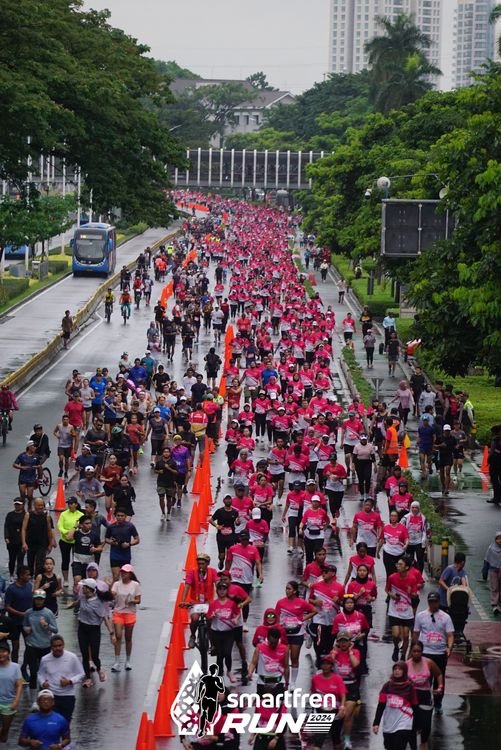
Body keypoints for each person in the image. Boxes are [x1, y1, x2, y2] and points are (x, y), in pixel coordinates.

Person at [68, 578, 114, 687]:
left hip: (94, 630)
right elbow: (77, 602)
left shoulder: (98, 603)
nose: (82, 588)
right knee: (84, 655)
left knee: (94, 655)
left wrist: (111, 633)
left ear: (89, 589)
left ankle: (99, 669)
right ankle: (88, 678)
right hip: (82, 628)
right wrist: (71, 605)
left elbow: (105, 618)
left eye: (84, 587)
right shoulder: (82, 597)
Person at [412, 592, 454, 713]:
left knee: (439, 677)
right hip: (425, 652)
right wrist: (414, 649)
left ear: (439, 602)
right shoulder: (421, 616)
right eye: (431, 602)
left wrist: (449, 647)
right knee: (425, 678)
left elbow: (450, 635)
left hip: (440, 653)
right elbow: (416, 633)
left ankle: (438, 701)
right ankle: (424, 700)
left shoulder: (446, 617)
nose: (433, 604)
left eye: (435, 602)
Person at [274, 580, 316, 690]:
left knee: (294, 658)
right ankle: (284, 680)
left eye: (289, 589)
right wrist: (278, 628)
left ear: (295, 591)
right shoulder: (280, 602)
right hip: (284, 634)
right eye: (286, 588)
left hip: (297, 633)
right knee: (283, 658)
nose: (287, 591)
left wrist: (303, 619)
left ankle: (293, 682)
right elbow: (277, 617)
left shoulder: (301, 602)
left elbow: (314, 611)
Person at [38, 635, 85, 724]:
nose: (57, 648)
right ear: (51, 647)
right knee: (52, 723)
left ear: (63, 645)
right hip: (52, 696)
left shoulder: (72, 657)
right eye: (55, 646)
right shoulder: (45, 659)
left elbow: (81, 674)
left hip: (68, 695)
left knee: (65, 722)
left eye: (60, 646)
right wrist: (43, 683)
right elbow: (40, 674)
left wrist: (70, 681)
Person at [406, 640, 443, 750]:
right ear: (411, 652)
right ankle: (413, 745)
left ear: (422, 651)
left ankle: (423, 742)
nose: (416, 653)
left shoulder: (429, 662)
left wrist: (440, 687)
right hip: (411, 695)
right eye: (414, 651)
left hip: (425, 694)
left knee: (426, 724)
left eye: (419, 651)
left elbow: (439, 674)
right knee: (412, 723)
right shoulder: (406, 664)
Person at [372, 662, 418, 750]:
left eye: (400, 669)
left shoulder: (410, 687)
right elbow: (381, 706)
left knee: (399, 746)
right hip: (389, 723)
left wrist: (417, 725)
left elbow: (415, 706)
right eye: (395, 669)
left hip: (404, 722)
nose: (397, 671)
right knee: (389, 746)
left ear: (404, 671)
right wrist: (376, 723)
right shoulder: (387, 686)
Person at [22, 589, 58, 698]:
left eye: (41, 599)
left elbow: (55, 629)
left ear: (44, 600)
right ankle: (33, 699)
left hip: (45, 645)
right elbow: (25, 625)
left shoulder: (48, 613)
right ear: (33, 599)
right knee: (33, 673)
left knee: (45, 673)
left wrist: (46, 625)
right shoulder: (29, 612)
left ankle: (43, 697)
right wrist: (26, 629)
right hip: (32, 645)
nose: (39, 601)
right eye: (37, 599)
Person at [309, 655, 346, 750]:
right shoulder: (315, 679)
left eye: (327, 664)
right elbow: (313, 693)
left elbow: (343, 694)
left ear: (331, 666)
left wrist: (342, 707)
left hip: (335, 711)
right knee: (318, 741)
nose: (325, 666)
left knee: (336, 740)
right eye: (323, 664)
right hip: (322, 712)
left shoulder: (337, 679)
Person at [180, 553, 218, 648]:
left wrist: (220, 600)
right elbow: (187, 587)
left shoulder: (213, 572)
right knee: (195, 619)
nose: (200, 566)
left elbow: (218, 584)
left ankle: (212, 641)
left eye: (202, 564)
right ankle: (192, 636)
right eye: (199, 564)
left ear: (207, 564)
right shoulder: (192, 572)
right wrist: (183, 601)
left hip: (209, 602)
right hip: (195, 602)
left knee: (210, 619)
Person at [206, 581, 240, 683]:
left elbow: (238, 613)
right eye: (220, 589)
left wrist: (236, 619)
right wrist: (212, 615)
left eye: (224, 589)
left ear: (226, 591)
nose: (222, 591)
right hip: (216, 633)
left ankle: (229, 671)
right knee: (220, 654)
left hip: (228, 632)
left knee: (227, 652)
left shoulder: (232, 603)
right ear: (217, 591)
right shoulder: (213, 604)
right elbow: (208, 617)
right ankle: (219, 675)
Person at [386, 557, 418, 662]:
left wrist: (410, 592)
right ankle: (396, 647)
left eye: (400, 565)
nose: (398, 566)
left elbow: (415, 595)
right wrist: (392, 595)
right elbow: (387, 590)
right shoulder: (392, 577)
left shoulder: (412, 579)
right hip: (394, 610)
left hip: (406, 611)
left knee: (406, 635)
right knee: (395, 635)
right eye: (397, 564)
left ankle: (403, 656)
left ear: (407, 567)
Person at [111, 564, 141, 672]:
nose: (123, 574)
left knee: (128, 637)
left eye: (126, 572)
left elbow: (139, 600)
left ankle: (127, 661)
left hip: (130, 613)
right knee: (118, 635)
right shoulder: (116, 584)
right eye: (122, 572)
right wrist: (110, 588)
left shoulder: (135, 585)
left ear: (130, 574)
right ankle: (117, 662)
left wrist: (132, 600)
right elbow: (112, 594)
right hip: (118, 613)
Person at [248, 627, 289, 697]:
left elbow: (286, 667)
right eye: (271, 643)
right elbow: (253, 663)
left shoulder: (284, 649)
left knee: (278, 703)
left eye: (275, 643)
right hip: (262, 682)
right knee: (262, 703)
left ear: (278, 640)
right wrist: (250, 672)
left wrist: (287, 683)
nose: (273, 645)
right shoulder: (259, 647)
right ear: (267, 639)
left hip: (278, 682)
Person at [4, 566, 32, 663]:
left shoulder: (30, 586)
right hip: (14, 623)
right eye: (27, 575)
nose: (29, 577)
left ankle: (24, 666)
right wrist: (20, 613)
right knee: (15, 647)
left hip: (27, 622)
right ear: (21, 575)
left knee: (29, 646)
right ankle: (15, 665)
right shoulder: (11, 589)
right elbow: (7, 606)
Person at [21, 498, 55, 577]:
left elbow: (49, 530)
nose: (40, 507)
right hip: (30, 543)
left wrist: (51, 543)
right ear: (34, 505)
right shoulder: (28, 515)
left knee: (40, 565)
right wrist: (24, 543)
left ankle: (38, 579)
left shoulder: (47, 516)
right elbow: (23, 529)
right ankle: (30, 579)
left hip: (42, 544)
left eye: (42, 505)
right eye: (38, 505)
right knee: (30, 563)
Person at [105, 509, 140, 581]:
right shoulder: (111, 527)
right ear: (115, 516)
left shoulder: (130, 526)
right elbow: (106, 539)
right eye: (118, 516)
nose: (120, 517)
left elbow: (137, 539)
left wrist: (129, 544)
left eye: (122, 516)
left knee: (126, 578)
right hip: (114, 555)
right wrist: (111, 542)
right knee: (116, 577)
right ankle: (113, 588)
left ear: (125, 516)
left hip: (126, 556)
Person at [56, 497, 83, 588]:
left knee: (76, 561)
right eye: (69, 504)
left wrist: (73, 534)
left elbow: (82, 527)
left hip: (76, 541)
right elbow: (60, 526)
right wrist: (67, 533)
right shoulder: (63, 514)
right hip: (65, 540)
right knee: (65, 560)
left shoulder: (80, 514)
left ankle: (77, 579)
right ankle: (66, 579)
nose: (70, 505)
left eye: (71, 503)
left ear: (76, 504)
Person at [0, 641, 23, 743]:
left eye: (3, 651)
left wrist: (16, 701)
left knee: (5, 730)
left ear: (8, 653)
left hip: (9, 703)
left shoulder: (15, 667)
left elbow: (19, 685)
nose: (1, 654)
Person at [13, 441, 42, 509]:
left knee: (30, 497)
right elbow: (14, 464)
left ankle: (29, 509)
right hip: (22, 478)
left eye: (36, 446)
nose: (35, 448)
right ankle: (22, 510)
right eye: (34, 446)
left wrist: (39, 477)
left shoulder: (36, 456)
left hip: (31, 479)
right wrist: (21, 467)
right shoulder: (22, 456)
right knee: (22, 496)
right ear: (29, 447)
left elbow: (39, 466)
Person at [4, 498, 26, 578]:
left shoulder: (26, 515)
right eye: (16, 504)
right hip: (12, 540)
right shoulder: (10, 515)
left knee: (20, 559)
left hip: (21, 541)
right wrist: (6, 537)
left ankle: (19, 575)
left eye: (19, 504)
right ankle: (11, 574)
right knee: (12, 559)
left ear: (23, 505)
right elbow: (6, 526)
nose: (17, 506)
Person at [155, 446, 178, 521]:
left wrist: (169, 468)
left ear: (170, 453)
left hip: (170, 483)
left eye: (167, 452)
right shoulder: (159, 462)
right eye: (165, 452)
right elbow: (155, 470)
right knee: (161, 498)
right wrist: (159, 471)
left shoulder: (173, 462)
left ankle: (168, 513)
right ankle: (163, 513)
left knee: (169, 499)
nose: (166, 453)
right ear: (163, 453)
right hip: (160, 482)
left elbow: (176, 472)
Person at [482, 531, 501, 615]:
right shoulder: (491, 548)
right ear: (495, 539)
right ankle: (494, 605)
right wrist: (484, 572)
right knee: (494, 587)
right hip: (493, 570)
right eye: (498, 539)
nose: (499, 540)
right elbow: (486, 560)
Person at [436, 424, 455, 495]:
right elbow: (434, 446)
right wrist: (440, 445)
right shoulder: (440, 438)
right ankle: (443, 486)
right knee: (441, 473)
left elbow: (455, 445)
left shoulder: (452, 438)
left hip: (449, 456)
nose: (447, 432)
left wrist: (457, 447)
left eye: (448, 430)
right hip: (441, 456)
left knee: (447, 471)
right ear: (443, 431)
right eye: (446, 430)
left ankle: (447, 488)